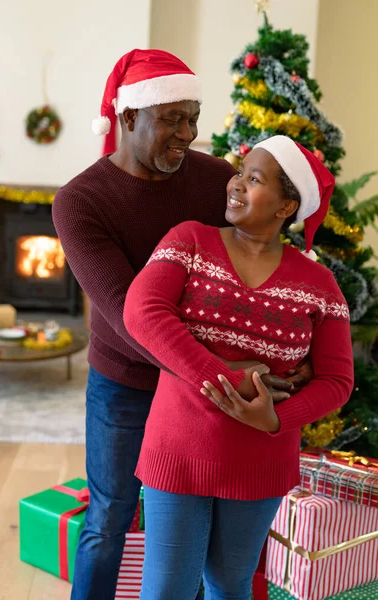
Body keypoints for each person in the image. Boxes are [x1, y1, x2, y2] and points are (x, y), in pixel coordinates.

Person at [52, 49, 310, 600]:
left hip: (210, 391)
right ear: (128, 118)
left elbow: (258, 256)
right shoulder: (79, 202)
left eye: (193, 118)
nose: (188, 133)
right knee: (109, 518)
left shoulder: (217, 179)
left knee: (193, 522)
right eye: (173, 119)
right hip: (129, 382)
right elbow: (127, 315)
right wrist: (221, 369)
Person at [123, 135, 354, 600]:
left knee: (230, 585)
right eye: (239, 173)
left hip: (260, 461)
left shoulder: (320, 284)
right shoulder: (189, 240)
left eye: (255, 179)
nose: (236, 184)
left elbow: (336, 380)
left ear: (287, 205)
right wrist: (231, 378)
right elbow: (142, 314)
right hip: (179, 449)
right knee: (166, 588)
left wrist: (274, 418)